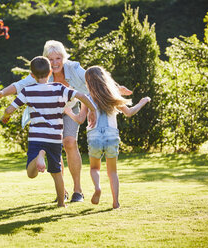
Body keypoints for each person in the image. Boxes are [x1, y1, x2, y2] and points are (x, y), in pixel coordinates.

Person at [0, 40, 132, 202]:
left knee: (69, 142)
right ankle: (61, 190)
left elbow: (96, 78)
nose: (55, 62)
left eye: (58, 58)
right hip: (50, 112)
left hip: (71, 108)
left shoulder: (74, 68)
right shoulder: (42, 71)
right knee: (55, 147)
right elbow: (20, 85)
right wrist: (1, 93)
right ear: (45, 60)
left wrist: (114, 90)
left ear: (64, 58)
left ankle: (77, 190)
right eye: (50, 59)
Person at [1, 56, 96, 207]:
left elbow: (9, 109)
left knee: (31, 174)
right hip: (54, 138)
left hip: (36, 137)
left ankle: (39, 155)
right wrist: (92, 109)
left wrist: (5, 116)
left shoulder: (28, 91)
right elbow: (81, 96)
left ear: (32, 75)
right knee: (56, 172)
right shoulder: (59, 88)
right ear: (50, 71)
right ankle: (61, 204)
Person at [64, 66, 151, 209]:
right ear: (104, 79)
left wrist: (69, 112)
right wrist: (142, 102)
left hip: (94, 136)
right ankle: (115, 202)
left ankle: (97, 188)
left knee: (94, 168)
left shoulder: (86, 98)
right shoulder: (112, 95)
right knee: (113, 171)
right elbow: (129, 112)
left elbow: (80, 119)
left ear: (87, 82)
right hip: (111, 135)